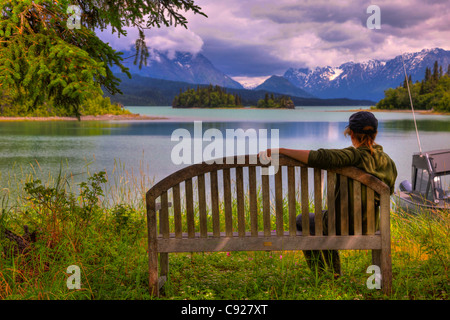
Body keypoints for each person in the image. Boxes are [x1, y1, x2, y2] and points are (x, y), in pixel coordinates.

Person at [259, 111, 397, 276]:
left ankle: (323, 273)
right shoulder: (388, 162)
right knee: (324, 220)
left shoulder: (352, 156)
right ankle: (333, 273)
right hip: (369, 226)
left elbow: (319, 157)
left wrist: (282, 150)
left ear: (351, 133)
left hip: (341, 225)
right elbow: (387, 193)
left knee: (302, 220)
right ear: (375, 133)